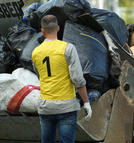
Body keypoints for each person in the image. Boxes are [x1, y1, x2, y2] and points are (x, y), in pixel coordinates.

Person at [32, 15, 92, 143]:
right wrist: (86, 102)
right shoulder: (67, 48)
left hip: (46, 105)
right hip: (67, 106)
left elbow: (40, 76)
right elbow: (78, 80)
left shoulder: (35, 52)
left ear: (42, 31)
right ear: (58, 28)